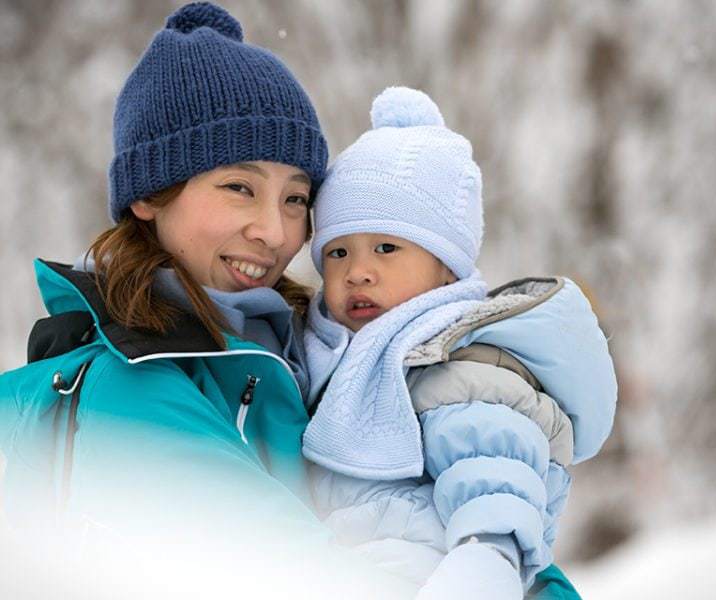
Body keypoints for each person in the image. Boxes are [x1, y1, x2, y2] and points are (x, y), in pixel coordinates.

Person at [0, 4, 414, 598]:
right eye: (240, 188)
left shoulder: (315, 351)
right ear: (151, 194)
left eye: (296, 199)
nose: (274, 232)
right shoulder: (126, 391)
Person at [302, 87, 618, 599]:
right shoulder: (335, 362)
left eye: (387, 248)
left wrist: (483, 561)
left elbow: (496, 484)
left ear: (445, 268)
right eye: (337, 252)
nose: (358, 271)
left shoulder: (460, 367)